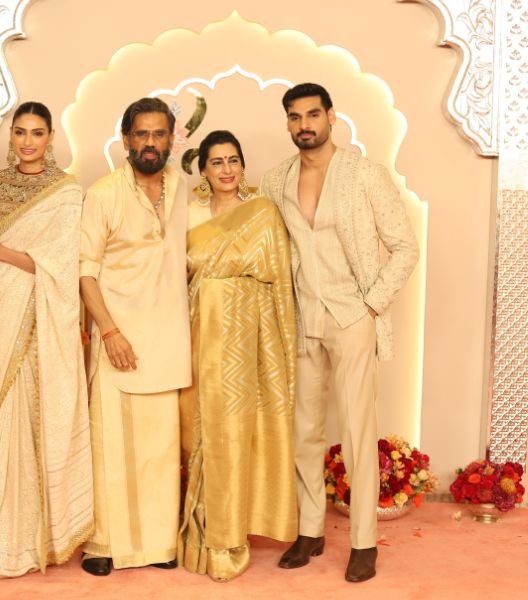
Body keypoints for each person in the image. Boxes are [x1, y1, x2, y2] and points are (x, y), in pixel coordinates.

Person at [259, 82, 419, 583]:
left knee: (356, 431)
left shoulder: (364, 175)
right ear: (287, 123)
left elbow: (405, 247)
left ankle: (363, 542)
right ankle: (309, 531)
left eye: (312, 115)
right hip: (302, 319)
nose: (304, 125)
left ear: (331, 117)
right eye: (294, 117)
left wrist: (372, 304)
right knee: (304, 432)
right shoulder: (275, 181)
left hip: (352, 316)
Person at [0, 102, 93, 579]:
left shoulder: (66, 191)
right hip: (3, 304)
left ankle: (37, 532)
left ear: (50, 138)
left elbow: (61, 263)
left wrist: (0, 250)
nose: (28, 141)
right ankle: (8, 524)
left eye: (37, 133)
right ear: (11, 137)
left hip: (41, 309)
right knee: (5, 413)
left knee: (34, 411)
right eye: (21, 132)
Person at [178, 130, 298, 582]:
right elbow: (172, 277)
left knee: (234, 431)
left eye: (233, 160)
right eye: (217, 162)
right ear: (203, 170)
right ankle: (201, 528)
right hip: (197, 334)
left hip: (247, 341)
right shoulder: (188, 215)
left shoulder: (263, 213)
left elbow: (280, 283)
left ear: (243, 165)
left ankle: (230, 535)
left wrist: (279, 349)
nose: (226, 169)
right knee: (198, 432)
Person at [78, 97, 191, 576]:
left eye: (159, 134)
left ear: (171, 140)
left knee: (160, 452)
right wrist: (109, 331)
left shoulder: (186, 190)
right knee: (113, 448)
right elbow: (85, 272)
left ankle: (158, 546)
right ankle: (104, 545)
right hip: (119, 339)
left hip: (168, 340)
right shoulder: (103, 194)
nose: (150, 143)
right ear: (125, 139)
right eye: (141, 134)